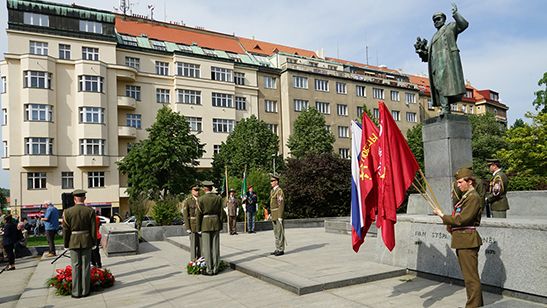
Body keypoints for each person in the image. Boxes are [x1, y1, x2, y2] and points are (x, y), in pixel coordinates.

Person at [433, 168, 483, 307]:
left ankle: (473, 306)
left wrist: (442, 215)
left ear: (470, 181)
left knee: (470, 278)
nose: (458, 185)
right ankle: (476, 304)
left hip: (467, 240)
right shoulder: (467, 197)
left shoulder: (473, 197)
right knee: (469, 277)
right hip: (462, 240)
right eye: (458, 182)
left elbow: (462, 219)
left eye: (461, 182)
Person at [415, 3, 468, 115]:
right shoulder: (433, 37)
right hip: (436, 66)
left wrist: (455, 14)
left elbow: (463, 25)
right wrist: (421, 52)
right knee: (439, 86)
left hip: (448, 62)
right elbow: (428, 56)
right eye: (434, 20)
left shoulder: (450, 27)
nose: (436, 21)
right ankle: (445, 107)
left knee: (445, 86)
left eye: (438, 19)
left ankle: (445, 108)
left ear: (444, 19)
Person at [63, 189, 96, 298]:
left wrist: (66, 243)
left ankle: (76, 292)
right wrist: (94, 242)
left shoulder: (67, 212)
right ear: (84, 198)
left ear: (74, 199)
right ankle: (85, 291)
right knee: (86, 266)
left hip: (73, 240)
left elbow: (66, 230)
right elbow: (93, 228)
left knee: (75, 266)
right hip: (86, 240)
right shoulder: (90, 211)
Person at [196, 180, 224, 275]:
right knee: (215, 247)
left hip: (205, 223)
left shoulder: (201, 199)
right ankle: (216, 268)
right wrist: (220, 225)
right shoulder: (218, 198)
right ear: (211, 188)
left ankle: (209, 269)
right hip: (216, 222)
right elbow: (221, 213)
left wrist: (198, 228)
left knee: (207, 248)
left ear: (204, 188)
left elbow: (198, 215)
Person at [182, 185, 201, 260]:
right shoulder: (188, 201)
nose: (197, 192)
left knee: (200, 244)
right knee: (193, 244)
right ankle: (193, 260)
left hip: (200, 225)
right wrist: (187, 227)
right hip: (192, 225)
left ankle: (200, 259)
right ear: (192, 191)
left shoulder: (201, 199)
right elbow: (185, 214)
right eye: (195, 190)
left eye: (198, 190)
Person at [269, 175, 285, 256]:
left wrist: (280, 216)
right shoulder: (272, 191)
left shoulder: (279, 191)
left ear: (276, 182)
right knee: (275, 232)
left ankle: (281, 249)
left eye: (272, 181)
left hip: (278, 214)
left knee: (280, 232)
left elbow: (280, 204)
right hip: (273, 214)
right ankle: (277, 248)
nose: (271, 182)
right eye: (271, 181)